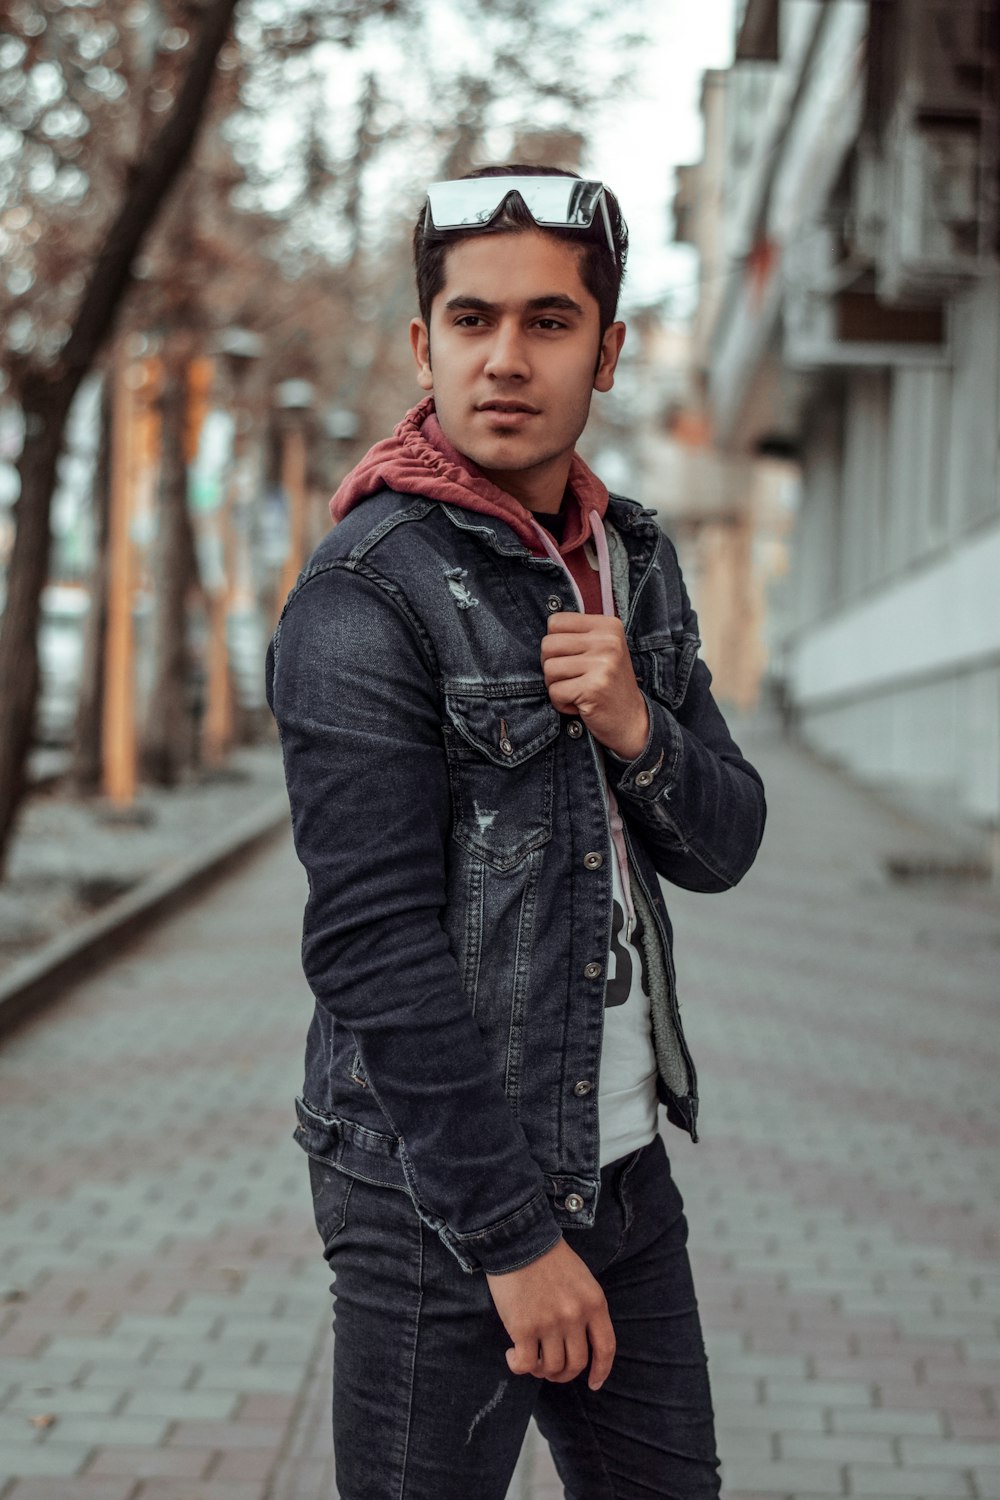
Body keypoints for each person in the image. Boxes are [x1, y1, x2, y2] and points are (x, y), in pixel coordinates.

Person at [265, 165, 767, 1500]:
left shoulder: (634, 560)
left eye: (548, 323)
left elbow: (725, 843)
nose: (505, 359)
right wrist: (510, 1240)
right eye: (473, 321)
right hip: (437, 1205)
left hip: (623, 1175)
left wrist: (637, 730)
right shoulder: (364, 594)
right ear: (424, 344)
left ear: (608, 350)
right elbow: (372, 946)